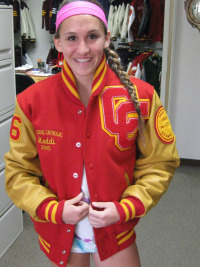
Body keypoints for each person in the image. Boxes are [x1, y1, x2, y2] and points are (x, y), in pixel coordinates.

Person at [4, 0, 180, 266]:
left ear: (107, 39)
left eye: (93, 36)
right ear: (58, 43)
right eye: (72, 38)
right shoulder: (31, 101)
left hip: (115, 228)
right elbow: (19, 172)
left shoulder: (142, 96)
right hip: (61, 228)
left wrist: (127, 207)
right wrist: (53, 209)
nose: (83, 48)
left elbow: (160, 163)